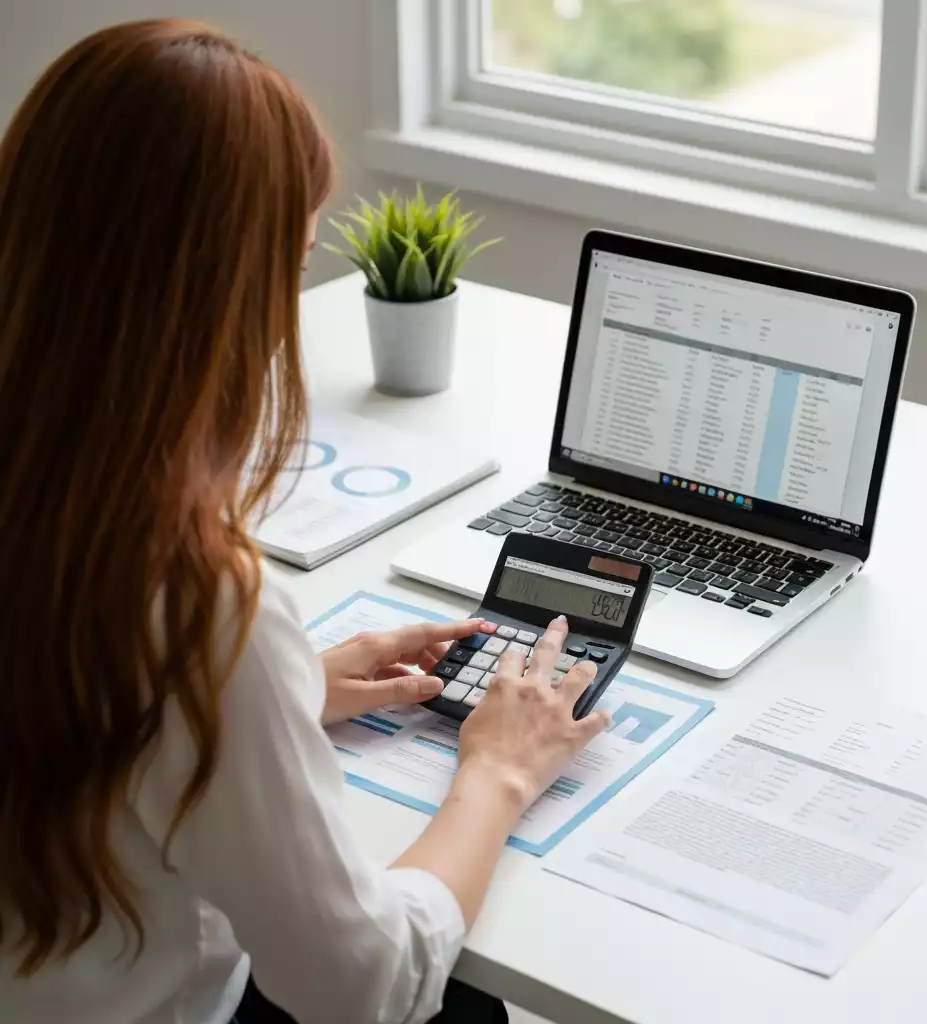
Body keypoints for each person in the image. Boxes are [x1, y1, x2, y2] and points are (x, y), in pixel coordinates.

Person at [0, 20, 609, 1024]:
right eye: (287, 268)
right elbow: (362, 987)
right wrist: (498, 771)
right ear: (211, 302)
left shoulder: (81, 553)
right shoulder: (194, 606)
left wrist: (288, 692)